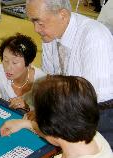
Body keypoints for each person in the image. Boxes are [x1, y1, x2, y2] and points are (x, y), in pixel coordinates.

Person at [26, 0, 113, 150]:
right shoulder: (51, 35)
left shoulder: (94, 36)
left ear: (63, 15)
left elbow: (92, 96)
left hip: (101, 112)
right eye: (32, 22)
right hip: (73, 104)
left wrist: (43, 121)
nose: (36, 29)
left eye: (39, 22)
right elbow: (51, 78)